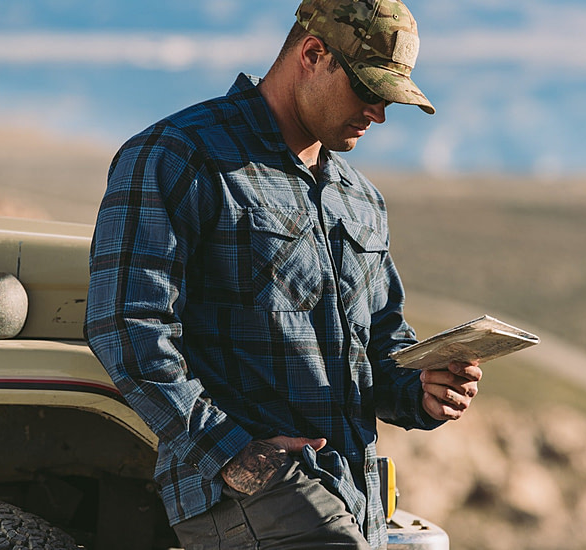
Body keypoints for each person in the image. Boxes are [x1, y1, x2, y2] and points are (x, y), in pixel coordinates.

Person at [84, 1, 482, 548]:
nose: (380, 114)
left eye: (390, 98)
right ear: (313, 54)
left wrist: (423, 389)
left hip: (351, 495)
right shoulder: (179, 155)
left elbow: (382, 348)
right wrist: (230, 453)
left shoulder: (361, 200)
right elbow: (126, 324)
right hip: (248, 495)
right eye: (369, 90)